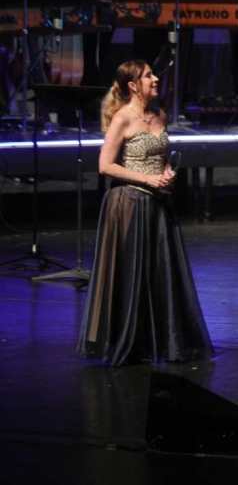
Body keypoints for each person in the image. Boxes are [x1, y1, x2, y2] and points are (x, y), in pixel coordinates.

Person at [77, 59, 213, 366]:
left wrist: (166, 172)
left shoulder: (159, 114)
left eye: (153, 74)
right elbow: (105, 166)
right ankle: (129, 342)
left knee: (159, 272)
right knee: (132, 274)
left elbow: (161, 157)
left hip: (158, 203)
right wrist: (146, 179)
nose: (155, 79)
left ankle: (164, 341)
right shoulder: (123, 118)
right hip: (129, 202)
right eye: (148, 76)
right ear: (133, 85)